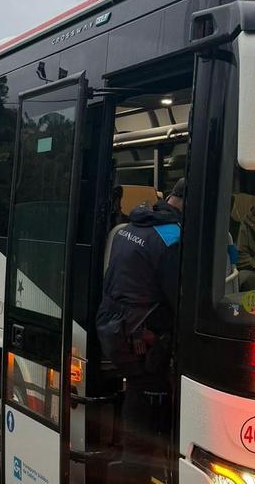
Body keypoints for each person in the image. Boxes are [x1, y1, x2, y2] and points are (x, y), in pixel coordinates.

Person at [96, 178, 185, 484]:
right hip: (142, 343)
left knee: (137, 402)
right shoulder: (171, 238)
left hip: (115, 329)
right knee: (146, 423)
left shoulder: (131, 227)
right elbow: (181, 300)